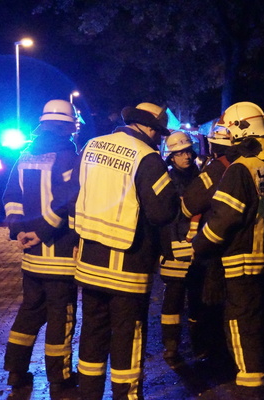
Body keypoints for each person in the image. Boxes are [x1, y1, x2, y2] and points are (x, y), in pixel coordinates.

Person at [69, 102, 179, 400]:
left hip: (90, 262)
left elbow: (72, 197)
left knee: (92, 331)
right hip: (129, 265)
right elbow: (162, 211)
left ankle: (88, 394)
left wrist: (78, 240)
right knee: (127, 335)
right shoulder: (147, 157)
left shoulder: (91, 146)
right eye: (158, 132)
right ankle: (126, 395)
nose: (158, 138)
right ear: (149, 128)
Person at [192, 102, 264, 399]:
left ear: (240, 131)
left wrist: (199, 245)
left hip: (241, 260)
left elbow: (223, 218)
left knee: (240, 323)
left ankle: (250, 388)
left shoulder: (240, 169)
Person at [2, 99, 81, 398]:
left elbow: (11, 197)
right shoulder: (68, 157)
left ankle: (16, 371)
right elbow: (67, 201)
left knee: (30, 312)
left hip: (31, 259)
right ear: (66, 127)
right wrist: (42, 232)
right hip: (60, 256)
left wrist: (19, 229)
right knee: (61, 316)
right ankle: (60, 377)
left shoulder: (24, 156)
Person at [181, 122, 240, 368]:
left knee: (211, 301)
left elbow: (190, 203)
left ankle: (215, 355)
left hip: (215, 249)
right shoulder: (254, 164)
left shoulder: (218, 168)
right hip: (247, 248)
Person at [158, 131, 201, 368]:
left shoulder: (201, 176)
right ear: (171, 157)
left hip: (198, 248)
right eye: (180, 153)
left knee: (198, 299)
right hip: (174, 248)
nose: (186, 156)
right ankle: (171, 346)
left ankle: (199, 344)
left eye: (187, 152)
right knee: (173, 301)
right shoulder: (166, 181)